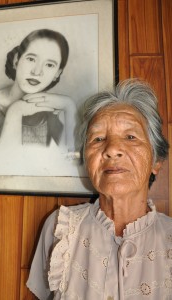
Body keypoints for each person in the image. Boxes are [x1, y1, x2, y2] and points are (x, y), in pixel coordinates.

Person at [28, 78, 171, 299]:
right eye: (98, 138)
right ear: (87, 159)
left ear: (156, 160)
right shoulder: (59, 229)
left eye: (130, 137)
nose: (112, 149)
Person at [0, 29, 76, 152]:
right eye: (31, 59)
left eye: (49, 65)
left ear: (57, 73)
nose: (37, 72)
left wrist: (69, 106)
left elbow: (72, 159)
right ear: (16, 60)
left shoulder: (52, 111)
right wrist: (15, 112)